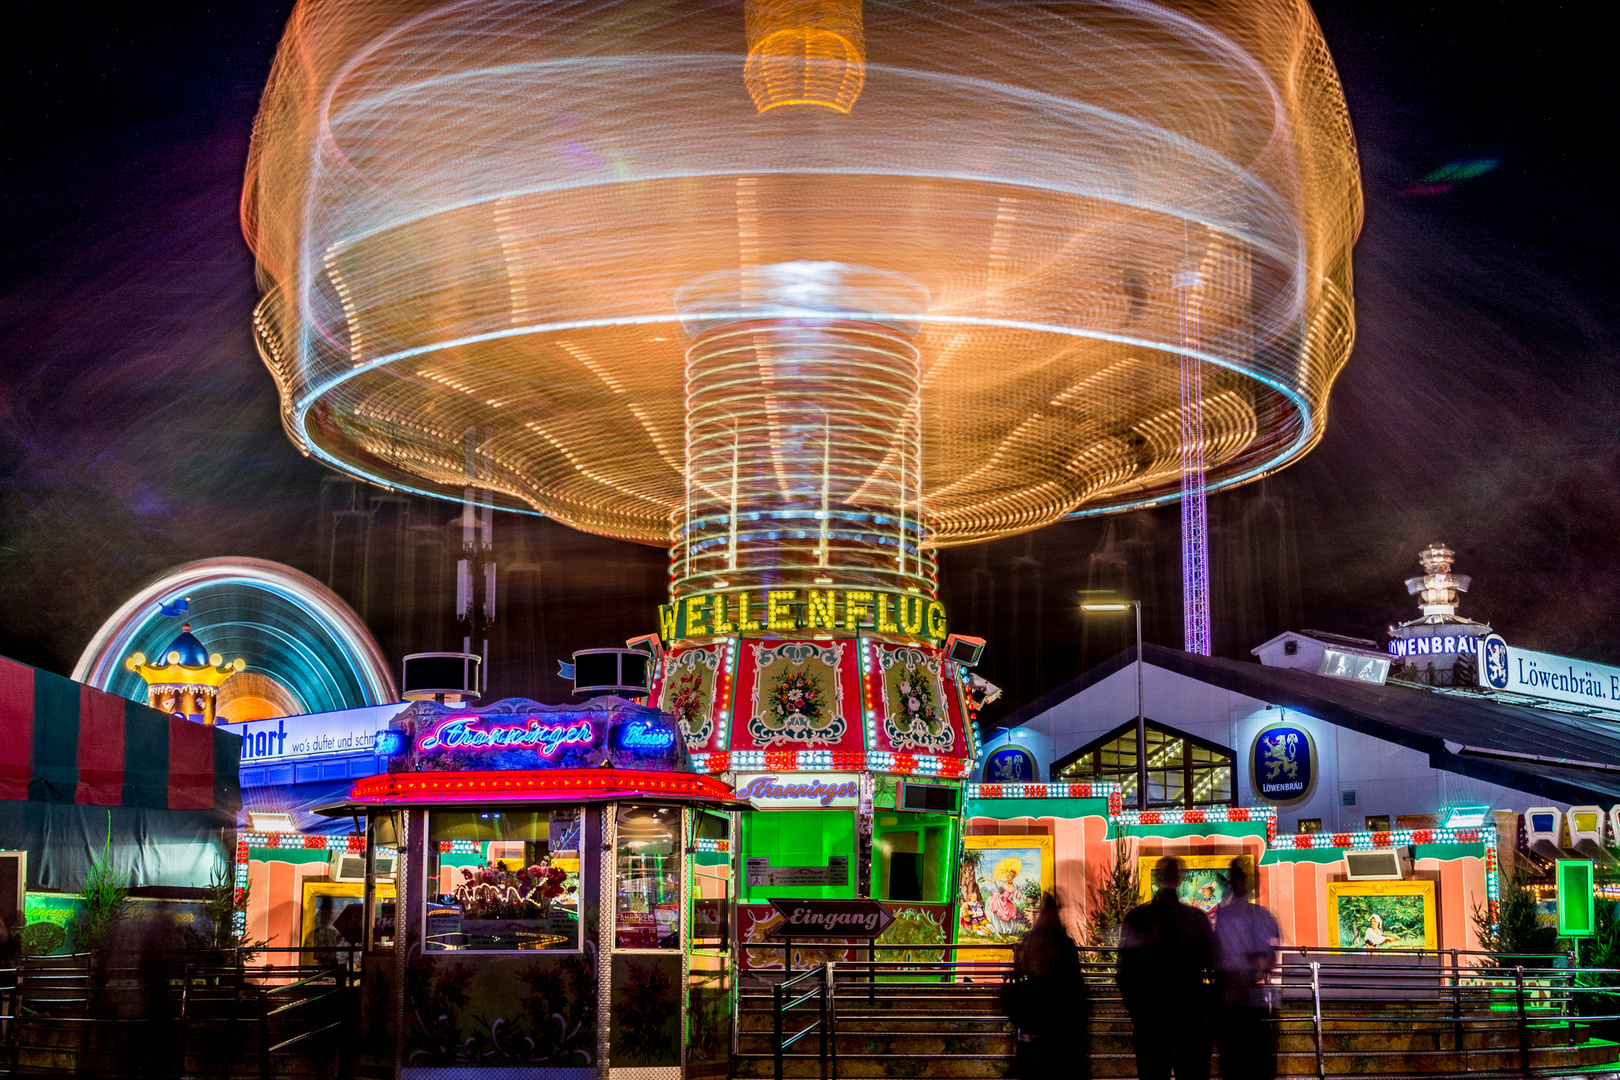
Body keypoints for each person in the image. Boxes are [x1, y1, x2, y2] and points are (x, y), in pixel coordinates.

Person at [1118, 856, 1216, 1080]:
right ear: (1179, 879)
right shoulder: (1196, 919)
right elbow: (1214, 967)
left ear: (1158, 878)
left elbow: (1125, 975)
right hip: (1190, 1022)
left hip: (1151, 1023)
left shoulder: (1137, 918)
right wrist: (1206, 1015)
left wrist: (1139, 1016)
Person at [1003, 893, 1090, 1080]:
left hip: (1034, 1025)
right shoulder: (1065, 945)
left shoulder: (1031, 942)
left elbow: (1021, 973)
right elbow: (1075, 983)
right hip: (1061, 1027)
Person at [1213, 859, 1281, 1080]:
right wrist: (1256, 964)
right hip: (1251, 997)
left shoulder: (1223, 917)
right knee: (1257, 1062)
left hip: (1230, 999)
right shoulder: (1262, 916)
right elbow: (1270, 957)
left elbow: (1215, 955)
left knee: (1232, 1062)